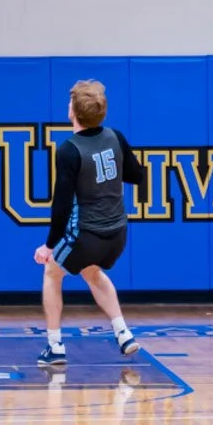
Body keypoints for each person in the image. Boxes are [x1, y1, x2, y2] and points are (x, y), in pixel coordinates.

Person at [34, 79, 143, 367]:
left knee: (51, 272)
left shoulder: (69, 150)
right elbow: (137, 175)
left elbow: (60, 206)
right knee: (92, 272)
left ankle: (55, 346)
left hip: (88, 233)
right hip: (117, 233)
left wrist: (48, 245)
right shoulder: (115, 137)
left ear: (74, 112)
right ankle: (123, 334)